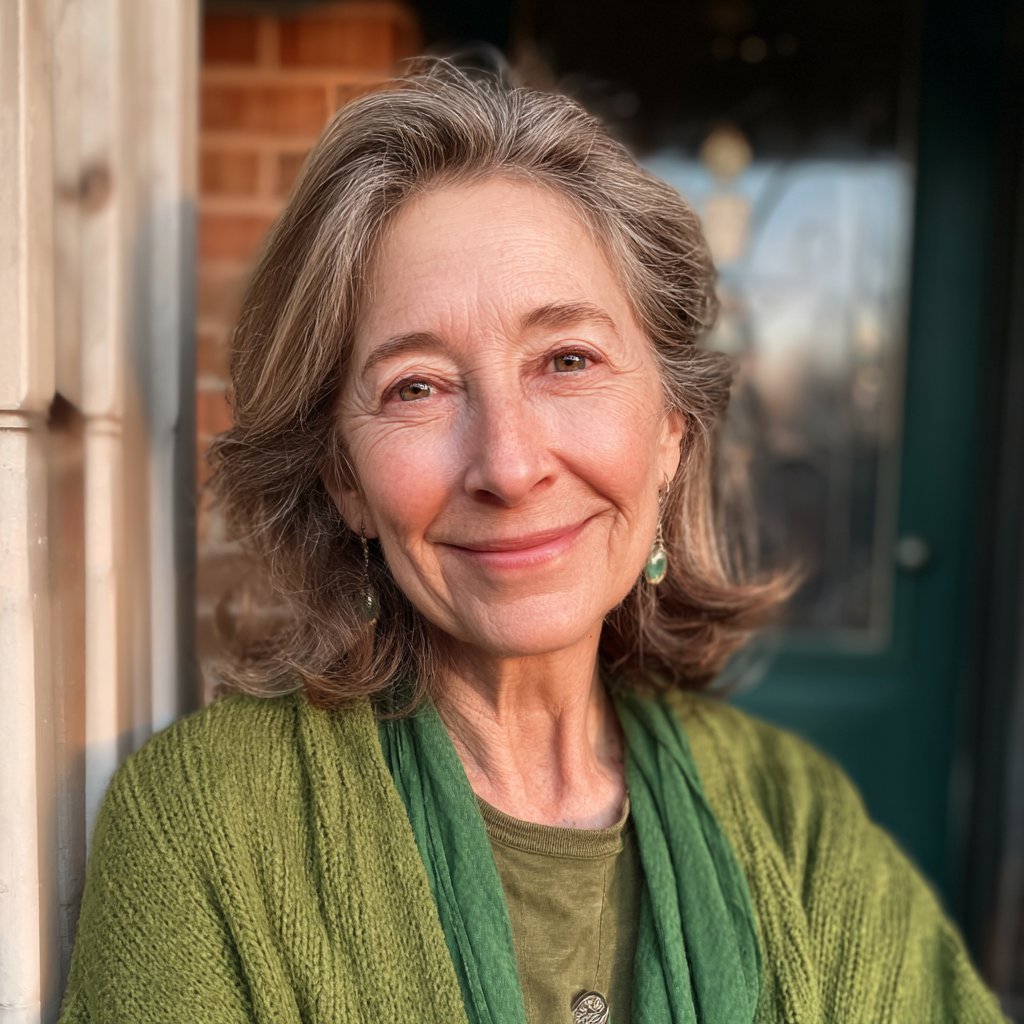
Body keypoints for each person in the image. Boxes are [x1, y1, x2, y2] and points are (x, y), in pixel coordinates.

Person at [59, 62, 1007, 1024]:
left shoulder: (799, 824)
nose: (509, 467)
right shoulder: (205, 831)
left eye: (567, 361)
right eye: (418, 387)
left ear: (671, 428)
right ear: (343, 476)